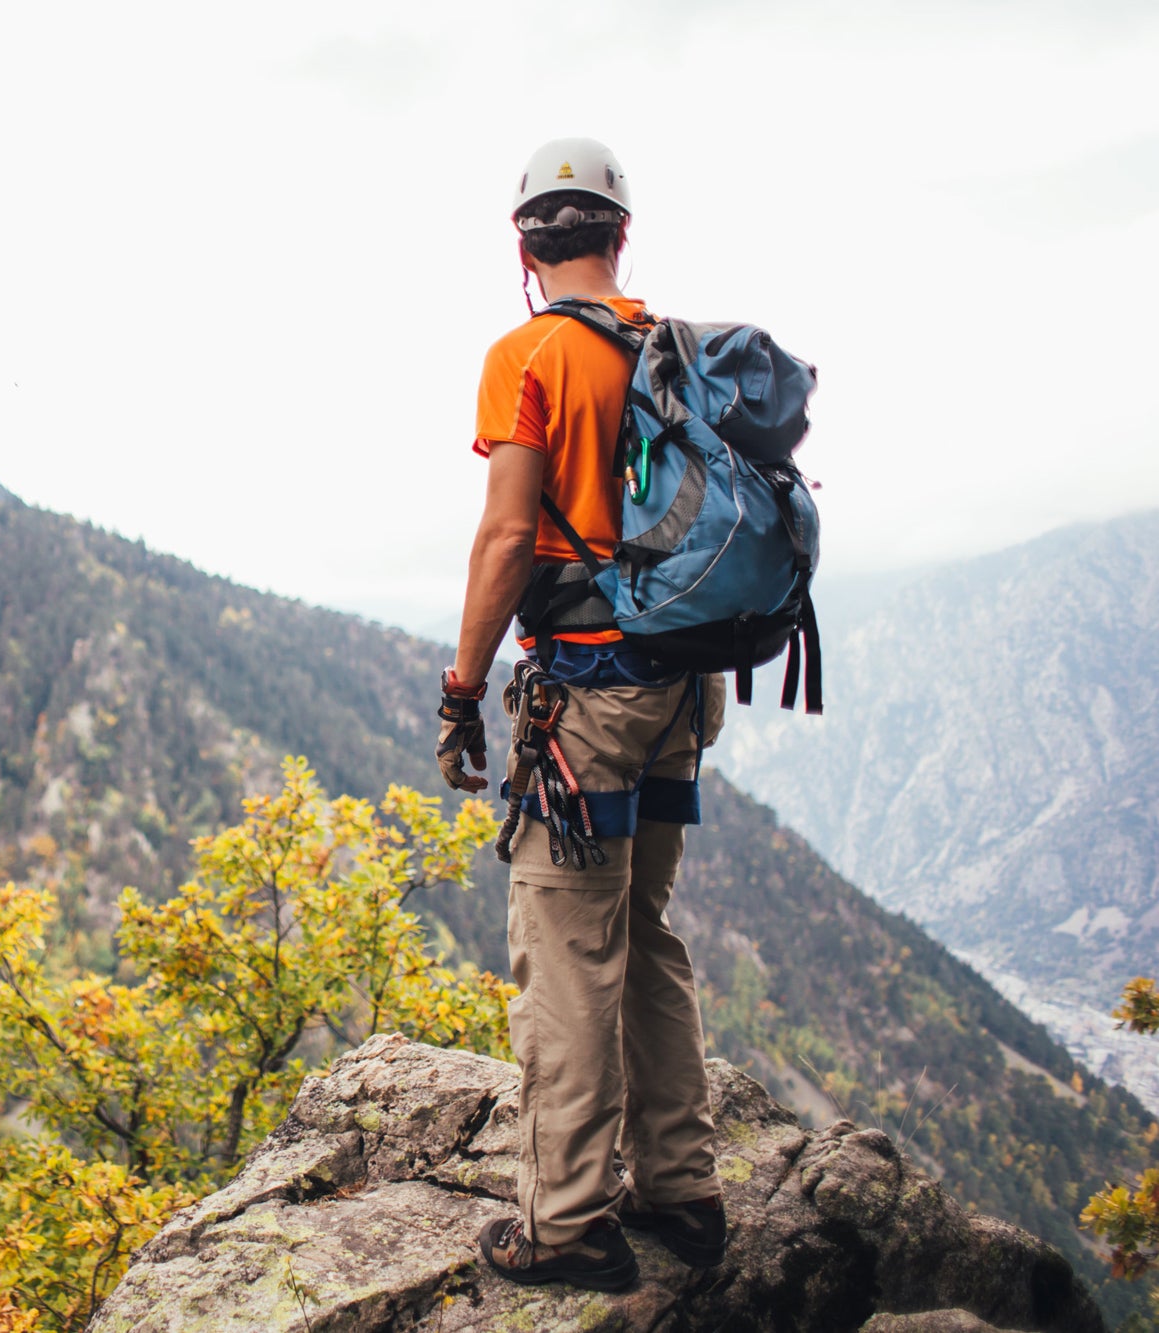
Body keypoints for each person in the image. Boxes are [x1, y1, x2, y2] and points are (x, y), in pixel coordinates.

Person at [434, 137, 728, 1292]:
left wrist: (462, 692)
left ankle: (563, 1225)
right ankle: (682, 1189)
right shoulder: (673, 348)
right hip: (684, 687)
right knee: (645, 928)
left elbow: (509, 535)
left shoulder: (529, 353)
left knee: (565, 947)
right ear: (618, 237)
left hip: (588, 697)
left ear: (524, 246)